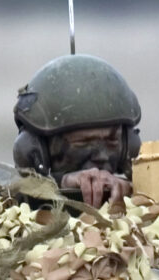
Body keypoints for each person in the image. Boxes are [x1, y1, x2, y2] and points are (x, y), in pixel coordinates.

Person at [11, 54, 141, 205]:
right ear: (38, 150)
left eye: (111, 140)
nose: (101, 156)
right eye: (84, 142)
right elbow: (4, 181)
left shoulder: (151, 203)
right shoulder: (3, 210)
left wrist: (134, 190)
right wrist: (61, 182)